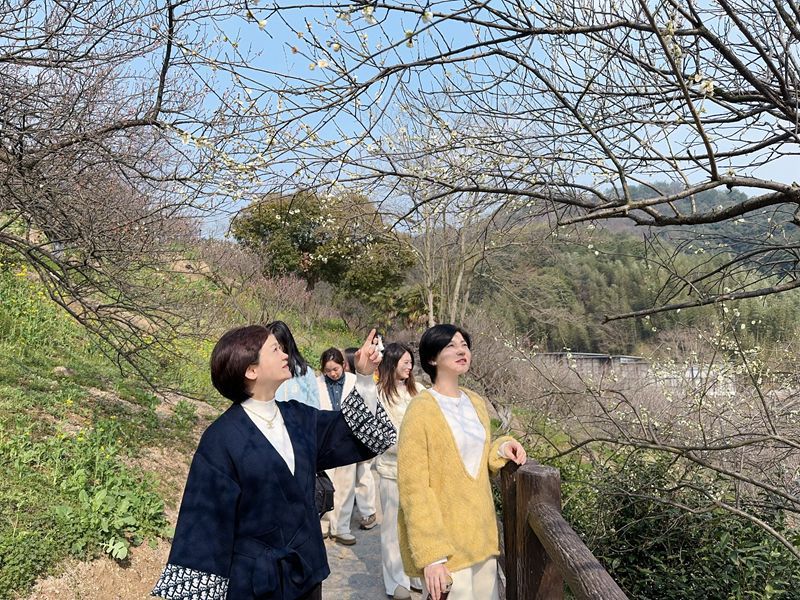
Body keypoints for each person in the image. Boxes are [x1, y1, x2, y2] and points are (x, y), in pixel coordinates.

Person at [151, 325, 396, 600]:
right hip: (254, 584)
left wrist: (364, 378)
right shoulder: (220, 439)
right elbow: (205, 525)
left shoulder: (299, 418)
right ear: (251, 370)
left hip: (306, 571)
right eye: (275, 350)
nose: (285, 354)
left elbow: (358, 434)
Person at [397, 324, 527, 600]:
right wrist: (432, 556)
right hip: (446, 548)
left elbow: (476, 457)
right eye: (451, 346)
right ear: (432, 358)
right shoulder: (421, 409)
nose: (461, 351)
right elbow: (413, 487)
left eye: (464, 345)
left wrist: (502, 447)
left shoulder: (475, 402)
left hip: (481, 538)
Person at [375, 342, 424, 600]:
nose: (409, 366)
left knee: (417, 525)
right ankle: (396, 581)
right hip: (391, 470)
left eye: (410, 362)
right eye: (404, 362)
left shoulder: (420, 391)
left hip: (418, 470)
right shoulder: (379, 395)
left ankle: (416, 574)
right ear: (391, 363)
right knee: (393, 528)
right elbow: (380, 435)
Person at [316, 348, 377, 544]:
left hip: (348, 438)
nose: (332, 374)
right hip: (325, 439)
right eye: (328, 370)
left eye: (335, 369)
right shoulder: (317, 384)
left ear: (343, 365)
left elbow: (367, 404)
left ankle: (341, 528)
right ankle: (324, 524)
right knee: (326, 483)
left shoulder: (354, 381)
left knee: (346, 485)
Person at [273, 320, 320, 408]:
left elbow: (314, 405)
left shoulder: (304, 371)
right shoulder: (266, 372)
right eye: (273, 348)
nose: (277, 351)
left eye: (279, 347)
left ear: (286, 344)